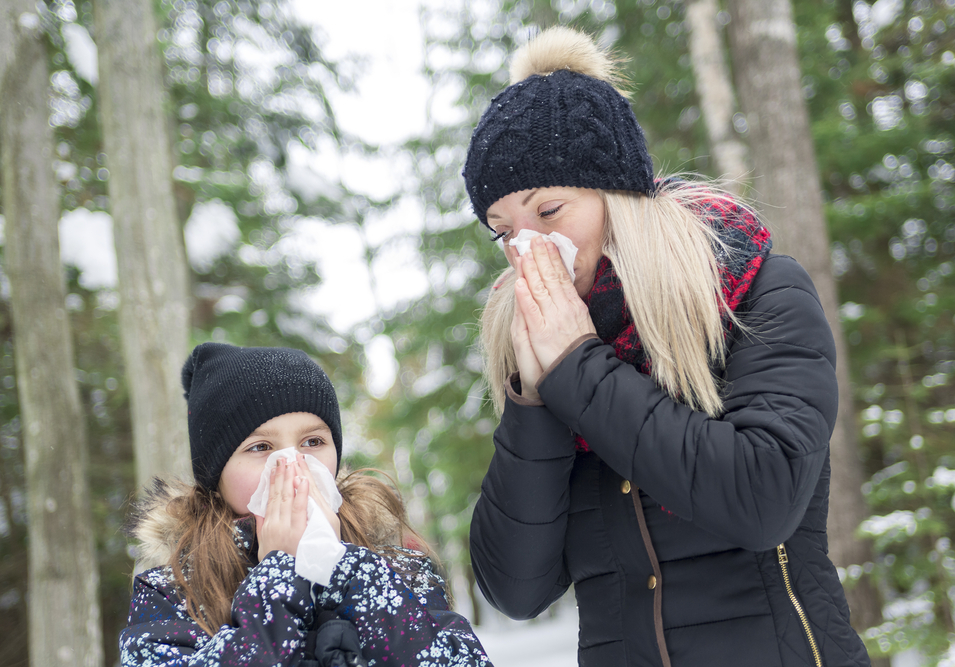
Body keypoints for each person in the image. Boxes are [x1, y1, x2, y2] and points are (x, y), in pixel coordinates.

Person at [464, 26, 871, 667]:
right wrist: (536, 400)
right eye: (502, 231)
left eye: (549, 211)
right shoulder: (546, 352)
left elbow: (762, 500)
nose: (528, 248)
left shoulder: (752, 289)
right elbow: (517, 588)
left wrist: (578, 365)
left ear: (616, 195)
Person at [120, 342, 492, 667]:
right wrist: (280, 577)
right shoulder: (174, 591)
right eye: (260, 447)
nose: (292, 464)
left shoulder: (395, 562)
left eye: (312, 442)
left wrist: (344, 567)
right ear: (215, 475)